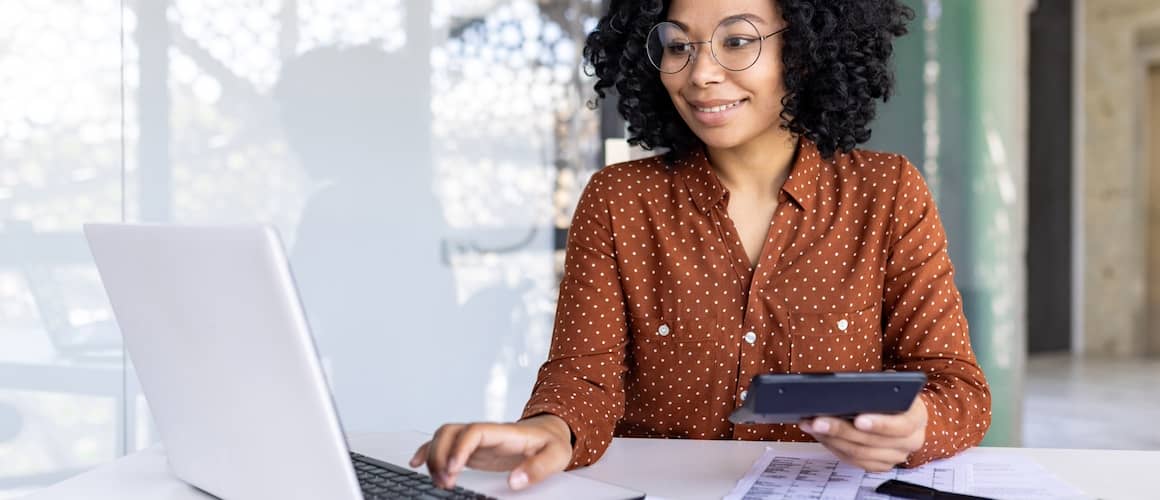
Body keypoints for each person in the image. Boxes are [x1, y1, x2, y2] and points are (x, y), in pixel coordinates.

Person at [412, 0, 991, 491]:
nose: (700, 74)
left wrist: (915, 426)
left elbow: (959, 390)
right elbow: (581, 382)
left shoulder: (886, 193)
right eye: (677, 46)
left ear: (807, 49)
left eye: (737, 41)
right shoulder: (620, 201)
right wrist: (547, 430)